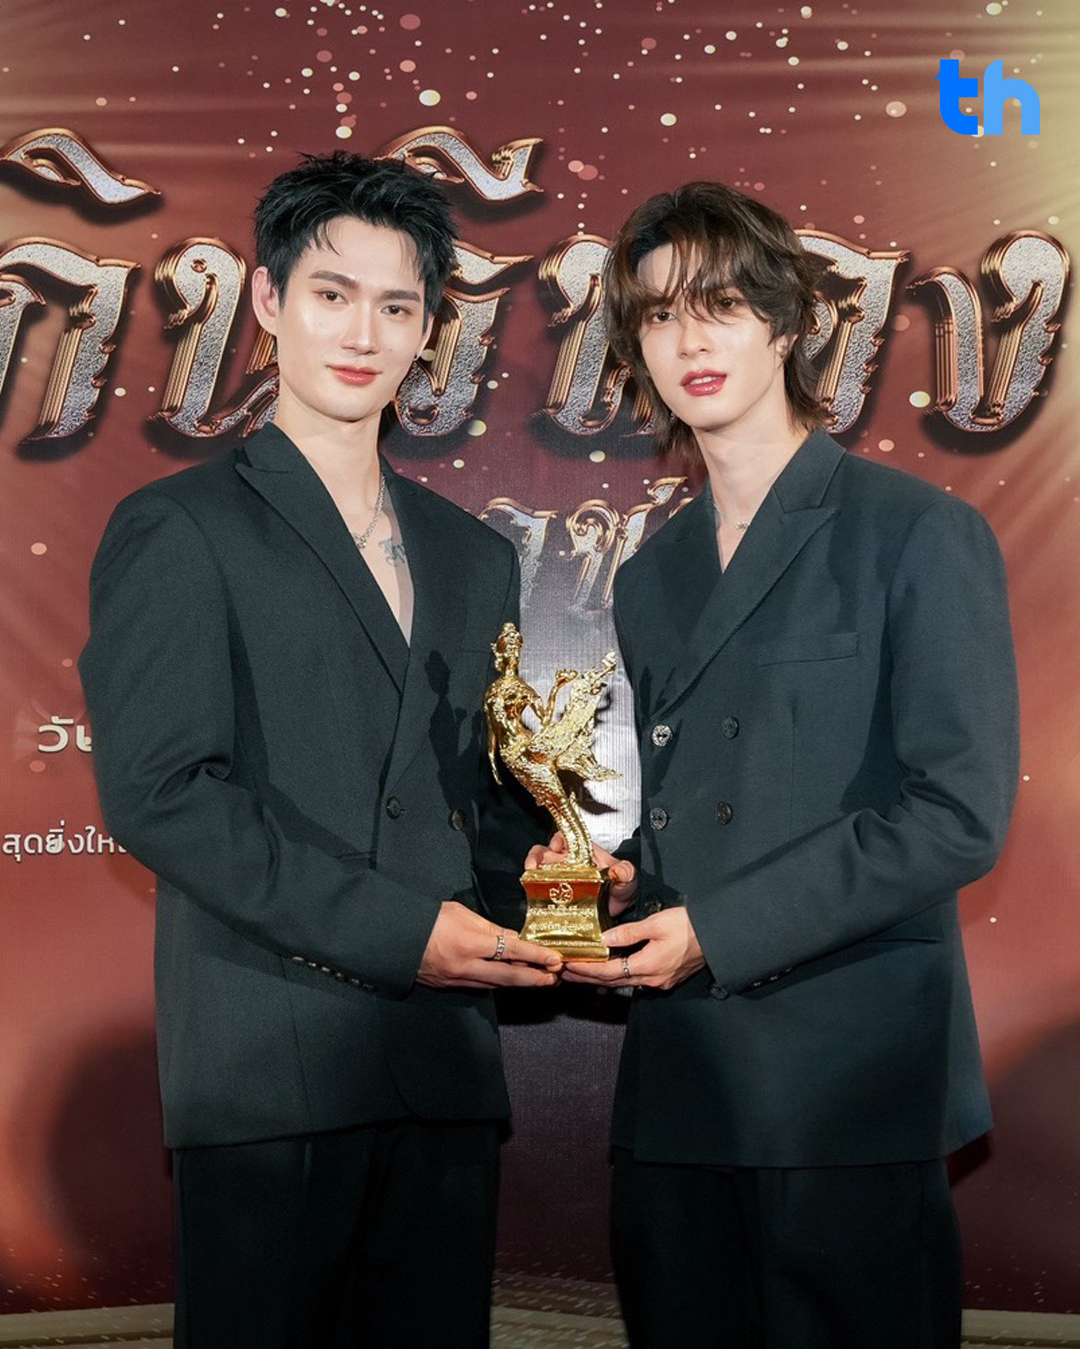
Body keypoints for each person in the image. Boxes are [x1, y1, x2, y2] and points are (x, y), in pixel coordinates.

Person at [79, 151, 562, 1349]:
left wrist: (563, 889)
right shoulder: (178, 527)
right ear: (267, 300)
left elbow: (479, 798)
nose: (363, 334)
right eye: (332, 295)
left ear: (429, 330)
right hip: (267, 1070)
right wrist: (404, 935)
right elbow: (162, 795)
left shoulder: (474, 557)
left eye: (397, 306)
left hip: (442, 1077)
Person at [539, 181, 1019, 1347]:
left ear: (789, 322)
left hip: (850, 1080)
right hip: (684, 1083)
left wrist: (719, 928)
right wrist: (618, 887)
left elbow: (956, 813)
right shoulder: (652, 574)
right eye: (659, 316)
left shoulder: (917, 532)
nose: (690, 341)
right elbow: (702, 803)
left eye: (720, 305)